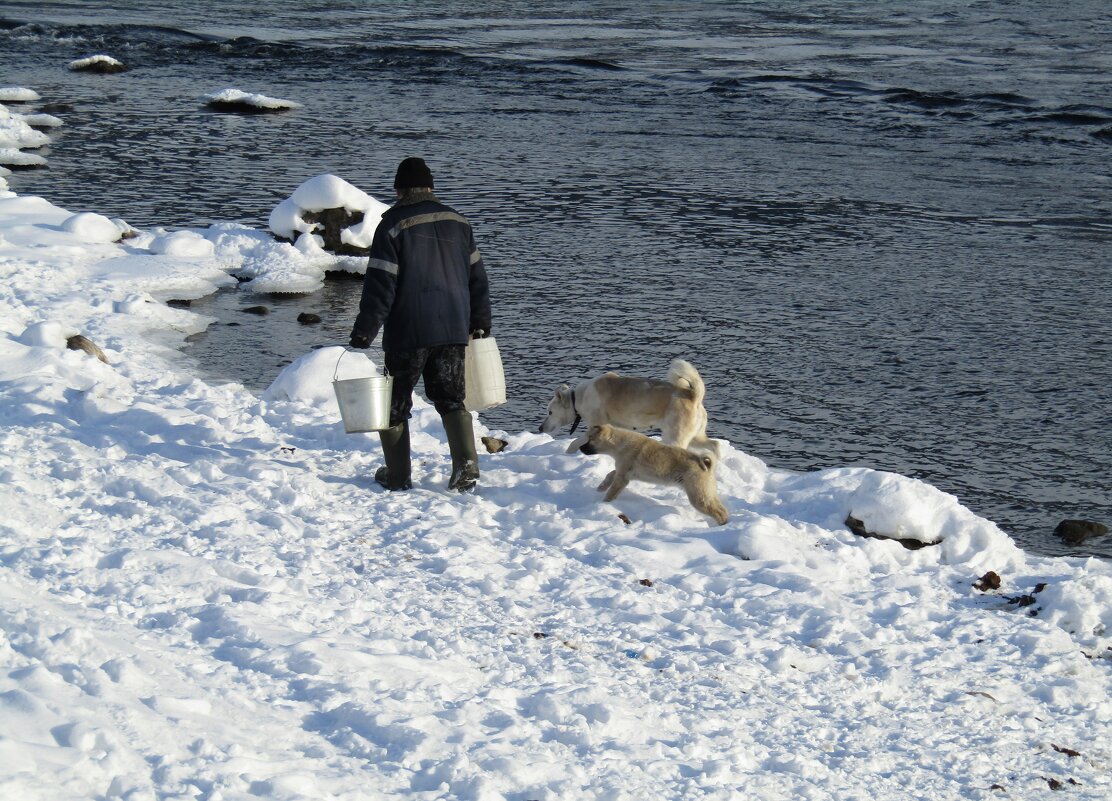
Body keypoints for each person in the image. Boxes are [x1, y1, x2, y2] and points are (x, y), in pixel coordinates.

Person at [349, 157, 492, 492]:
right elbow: (478, 278)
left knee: (394, 405)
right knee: (451, 399)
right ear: (431, 187)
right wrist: (481, 322)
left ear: (398, 190)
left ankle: (398, 476)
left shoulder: (393, 224)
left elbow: (381, 285)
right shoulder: (459, 222)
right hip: (454, 328)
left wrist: (364, 330)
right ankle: (465, 468)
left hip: (408, 331)